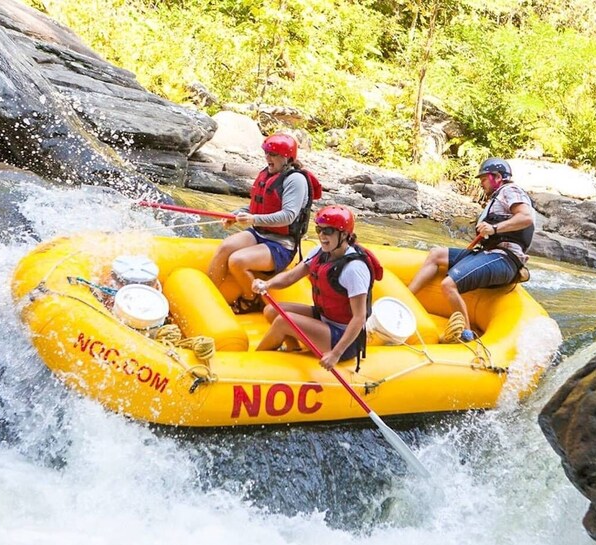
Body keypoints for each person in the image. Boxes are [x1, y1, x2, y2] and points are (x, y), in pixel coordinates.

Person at [408, 157, 535, 342]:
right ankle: (406, 299)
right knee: (436, 254)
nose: (481, 183)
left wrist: (494, 229)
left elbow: (526, 217)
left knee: (448, 284)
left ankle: (466, 334)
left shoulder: (510, 190)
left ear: (497, 177)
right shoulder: (497, 197)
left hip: (504, 258)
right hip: (488, 253)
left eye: (484, 179)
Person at [252, 205, 383, 371]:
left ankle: (255, 362)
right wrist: (267, 284)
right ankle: (293, 349)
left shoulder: (354, 269)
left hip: (343, 338)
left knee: (283, 321)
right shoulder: (319, 252)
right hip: (324, 318)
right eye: (319, 229)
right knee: (272, 310)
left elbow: (359, 317)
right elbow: (291, 277)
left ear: (344, 235)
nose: (322, 235)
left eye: (328, 231)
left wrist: (335, 353)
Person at [208, 133, 319, 314]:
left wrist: (253, 219)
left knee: (237, 261)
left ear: (287, 158)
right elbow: (257, 206)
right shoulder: (268, 173)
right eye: (267, 152)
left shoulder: (295, 180)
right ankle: (209, 298)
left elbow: (288, 216)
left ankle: (250, 299)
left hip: (282, 244)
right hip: (259, 233)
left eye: (273, 154)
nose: (268, 157)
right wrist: (236, 215)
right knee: (225, 247)